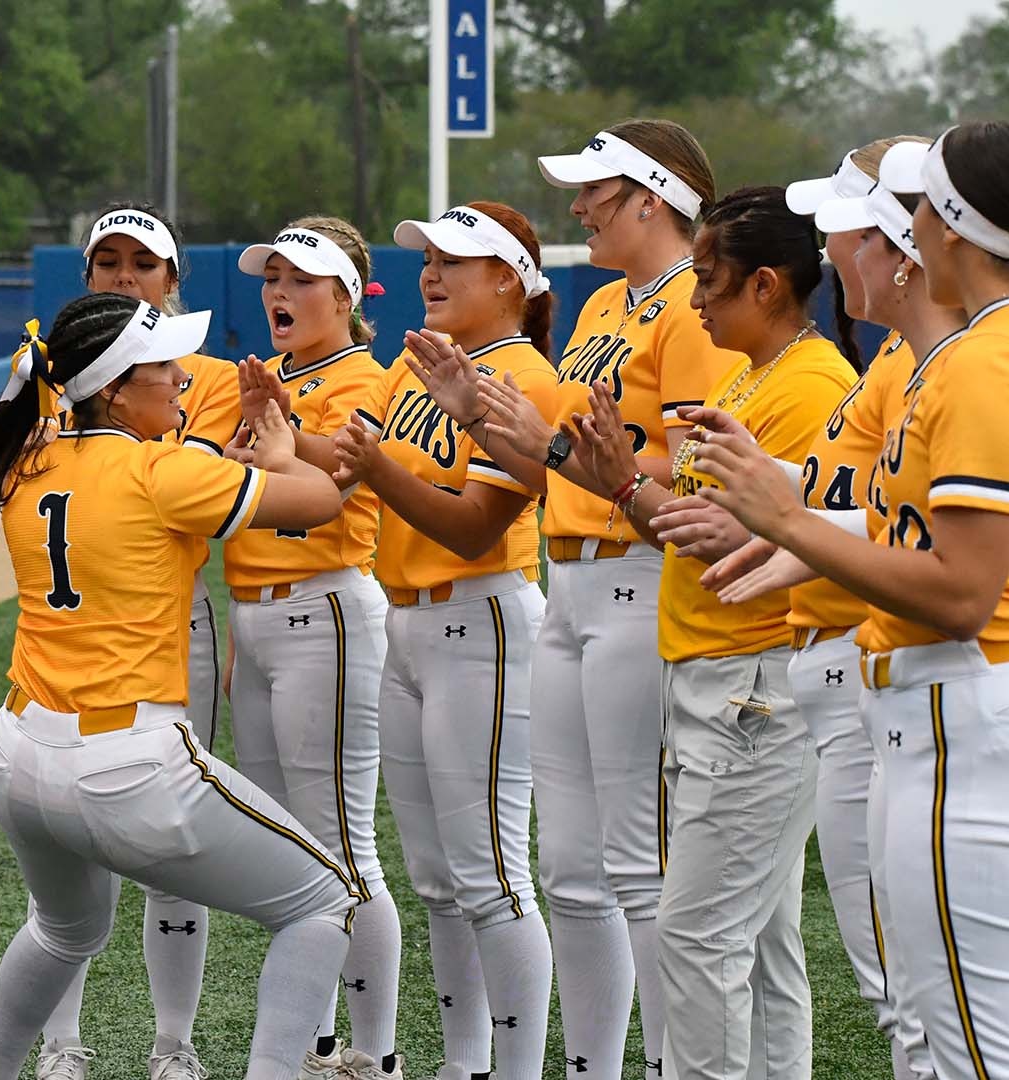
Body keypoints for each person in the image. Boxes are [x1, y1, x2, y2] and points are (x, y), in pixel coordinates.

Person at [687, 121, 1009, 1080]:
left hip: (985, 727)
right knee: (962, 1052)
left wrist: (791, 521)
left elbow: (965, 593)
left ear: (945, 227)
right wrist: (809, 537)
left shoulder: (988, 360)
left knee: (984, 1065)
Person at [0, 290, 354, 1080]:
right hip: (127, 763)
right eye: (163, 367)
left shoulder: (31, 454)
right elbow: (322, 502)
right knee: (325, 903)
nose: (182, 377)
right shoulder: (164, 469)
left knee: (63, 930)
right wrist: (283, 451)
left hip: (19, 754)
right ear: (113, 387)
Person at [406, 120, 734, 1080]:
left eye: (598, 189)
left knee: (638, 863)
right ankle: (594, 1067)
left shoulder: (687, 311)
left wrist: (559, 452)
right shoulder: (599, 311)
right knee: (571, 871)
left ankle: (675, 1065)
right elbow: (558, 466)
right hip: (571, 585)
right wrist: (480, 419)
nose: (580, 205)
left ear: (653, 198)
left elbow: (691, 461)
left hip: (640, 579)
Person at [557, 185, 855, 1080]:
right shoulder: (750, 374)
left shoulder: (810, 384)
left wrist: (623, 488)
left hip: (753, 682)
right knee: (758, 946)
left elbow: (762, 541)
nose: (694, 302)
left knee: (696, 940)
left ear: (767, 285)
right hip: (723, 677)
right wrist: (618, 483)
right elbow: (700, 529)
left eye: (711, 282)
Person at [329, 202, 558, 1080]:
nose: (431, 272)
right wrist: (285, 436)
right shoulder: (415, 365)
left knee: (494, 875)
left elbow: (474, 528)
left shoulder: (521, 377)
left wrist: (370, 465)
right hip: (411, 626)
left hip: (483, 620)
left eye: (454, 259)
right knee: (437, 878)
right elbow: (349, 459)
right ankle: (463, 1064)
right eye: (427, 258)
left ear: (508, 278)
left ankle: (517, 1070)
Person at [30, 202, 241, 1080]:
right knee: (68, 853)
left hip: (165, 625)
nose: (124, 278)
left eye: (142, 266)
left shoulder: (214, 378)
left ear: (173, 282)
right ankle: (61, 1044)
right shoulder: (41, 368)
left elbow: (210, 499)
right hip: (63, 631)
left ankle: (175, 1047)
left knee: (172, 846)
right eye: (108, 264)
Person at [228, 216, 402, 1080]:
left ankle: (375, 1052)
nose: (279, 294)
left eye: (300, 280)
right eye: (272, 280)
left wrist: (285, 423)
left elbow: (349, 465)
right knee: (291, 847)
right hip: (256, 616)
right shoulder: (271, 379)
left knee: (341, 839)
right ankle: (318, 1042)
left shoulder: (366, 374)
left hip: (323, 608)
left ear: (344, 295)